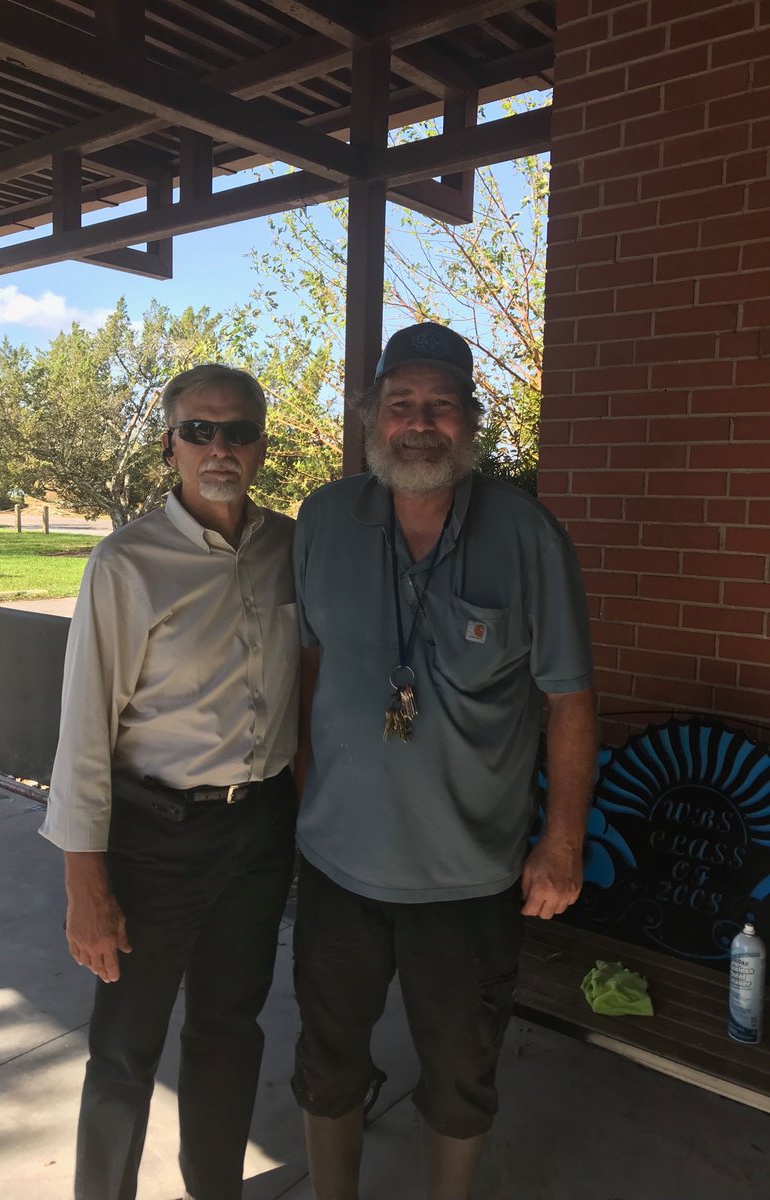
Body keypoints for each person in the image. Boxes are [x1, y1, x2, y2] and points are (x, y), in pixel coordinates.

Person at [291, 323, 596, 1200]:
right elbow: (309, 668)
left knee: (462, 1073)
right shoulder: (323, 522)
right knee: (328, 1056)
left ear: (471, 421)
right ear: (370, 420)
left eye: (441, 405)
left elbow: (570, 700)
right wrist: (308, 798)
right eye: (401, 405)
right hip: (337, 867)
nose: (419, 424)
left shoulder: (529, 535)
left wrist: (562, 842)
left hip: (469, 878)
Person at [40, 364, 299, 1200]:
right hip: (156, 840)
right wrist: (85, 882)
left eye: (238, 430)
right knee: (125, 1050)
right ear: (170, 446)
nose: (219, 447)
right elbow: (83, 731)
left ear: (262, 444)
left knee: (230, 1027)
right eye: (199, 430)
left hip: (261, 830)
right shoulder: (127, 564)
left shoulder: (290, 547)